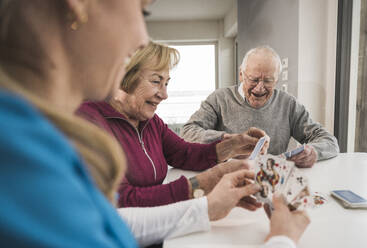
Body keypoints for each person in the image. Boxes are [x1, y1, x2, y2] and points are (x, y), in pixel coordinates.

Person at [0, 1, 309, 247]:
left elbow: (111, 220)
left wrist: (208, 201)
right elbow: (117, 209)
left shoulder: (34, 130)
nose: (140, 38)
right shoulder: (26, 153)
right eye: (142, 9)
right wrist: (281, 239)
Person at [77, 41, 269, 208]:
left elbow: (184, 154)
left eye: (166, 83)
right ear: (123, 77)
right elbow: (121, 200)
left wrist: (232, 146)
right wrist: (199, 185)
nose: (164, 94)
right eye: (156, 81)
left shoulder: (150, 121)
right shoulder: (90, 121)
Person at [181, 45, 340, 168]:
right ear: (241, 74)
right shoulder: (219, 98)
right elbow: (187, 132)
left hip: (271, 182)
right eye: (254, 79)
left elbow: (329, 141)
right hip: (227, 179)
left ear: (277, 79)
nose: (259, 88)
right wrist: (227, 140)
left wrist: (314, 152)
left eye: (268, 81)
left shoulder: (288, 104)